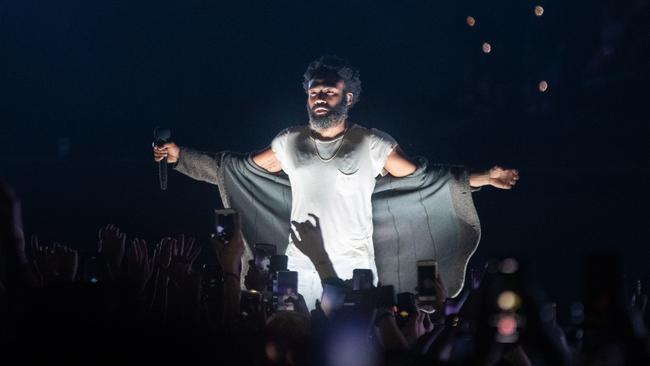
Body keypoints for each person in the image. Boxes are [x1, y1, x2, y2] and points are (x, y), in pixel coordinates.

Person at [153, 56, 519, 308]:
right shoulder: (288, 141)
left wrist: (483, 177)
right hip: (299, 265)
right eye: (314, 92)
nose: (320, 98)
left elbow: (428, 180)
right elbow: (232, 168)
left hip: (354, 266)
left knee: (349, 342)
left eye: (328, 91)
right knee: (298, 342)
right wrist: (180, 156)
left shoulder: (372, 143)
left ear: (349, 96)